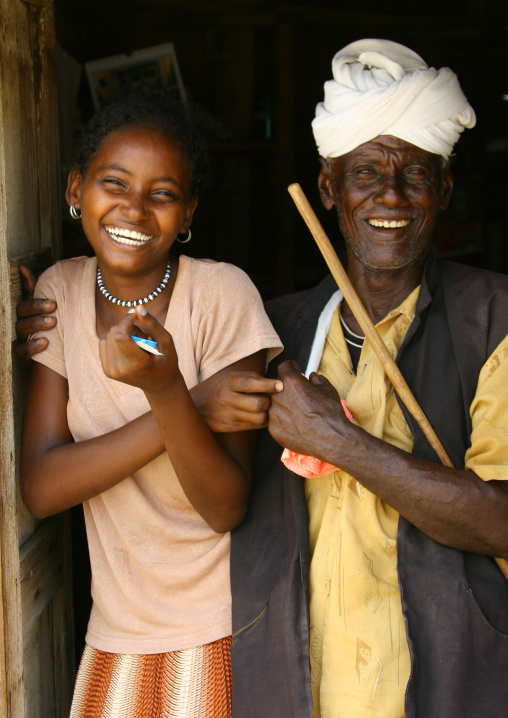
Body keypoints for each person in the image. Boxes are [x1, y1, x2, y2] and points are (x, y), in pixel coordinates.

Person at [16, 39, 508, 718]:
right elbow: (44, 485)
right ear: (329, 187)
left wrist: (340, 441)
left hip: (442, 685)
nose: (389, 196)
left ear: (445, 189)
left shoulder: (494, 321)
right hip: (288, 683)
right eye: (365, 173)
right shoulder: (286, 333)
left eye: (415, 176)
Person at [19, 91, 282, 717]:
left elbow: (225, 505)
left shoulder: (219, 296)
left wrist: (166, 392)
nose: (134, 208)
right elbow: (43, 487)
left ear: (187, 211)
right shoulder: (62, 289)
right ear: (75, 189)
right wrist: (189, 403)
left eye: (162, 193)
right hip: (114, 633)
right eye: (114, 183)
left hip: (218, 628)